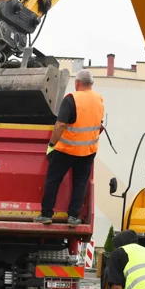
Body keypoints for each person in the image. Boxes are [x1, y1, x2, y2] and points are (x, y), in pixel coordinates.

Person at [35, 68, 104, 227]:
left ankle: (46, 214)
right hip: (88, 151)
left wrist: (52, 144)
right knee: (80, 183)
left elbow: (60, 125)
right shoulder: (99, 99)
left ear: (77, 83)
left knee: (53, 180)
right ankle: (73, 217)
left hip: (66, 150)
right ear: (91, 84)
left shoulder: (71, 98)